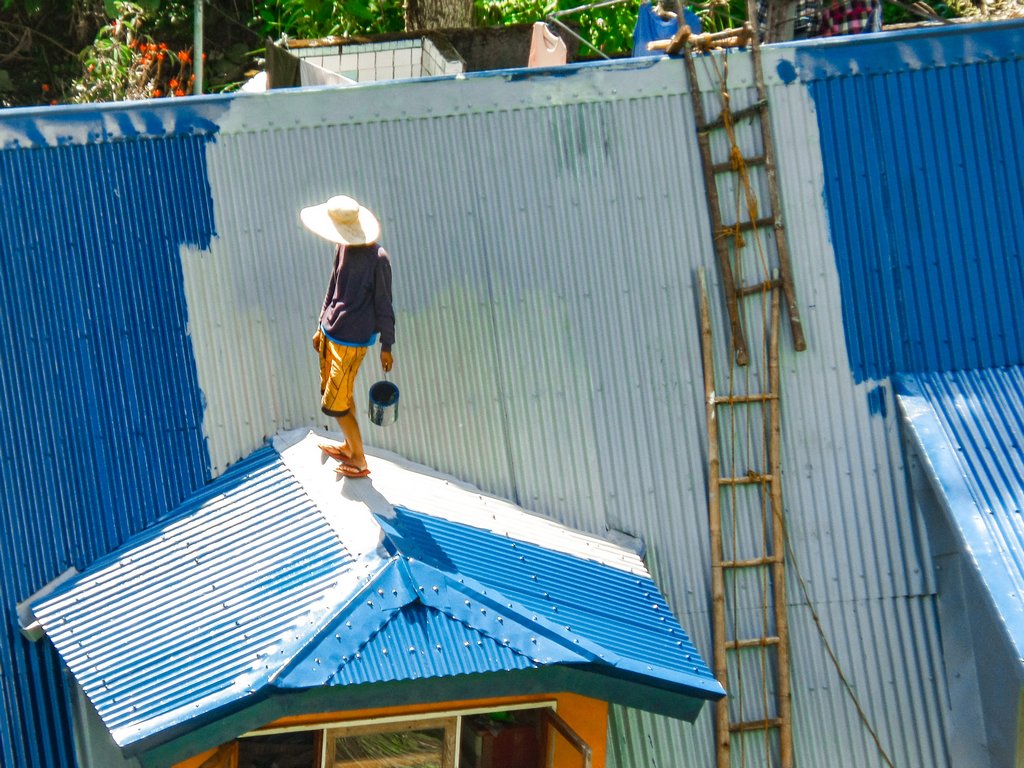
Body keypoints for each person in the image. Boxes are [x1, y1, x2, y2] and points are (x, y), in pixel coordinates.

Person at [300, 194, 395, 478]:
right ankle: (349, 447)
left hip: (353, 341)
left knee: (336, 404)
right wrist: (320, 325)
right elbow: (333, 286)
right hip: (331, 332)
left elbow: (384, 305)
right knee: (343, 395)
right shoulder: (343, 247)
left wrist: (386, 345)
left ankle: (359, 460)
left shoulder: (378, 259)